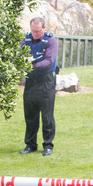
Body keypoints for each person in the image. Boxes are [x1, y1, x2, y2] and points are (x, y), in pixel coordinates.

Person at [20, 17, 59, 156]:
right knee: (30, 115)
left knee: (47, 116)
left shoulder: (50, 41)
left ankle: (48, 146)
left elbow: (48, 61)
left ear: (44, 28)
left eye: (38, 31)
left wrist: (31, 65)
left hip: (46, 82)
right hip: (31, 81)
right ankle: (30, 145)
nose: (35, 34)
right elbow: (19, 55)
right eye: (33, 31)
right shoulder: (26, 40)